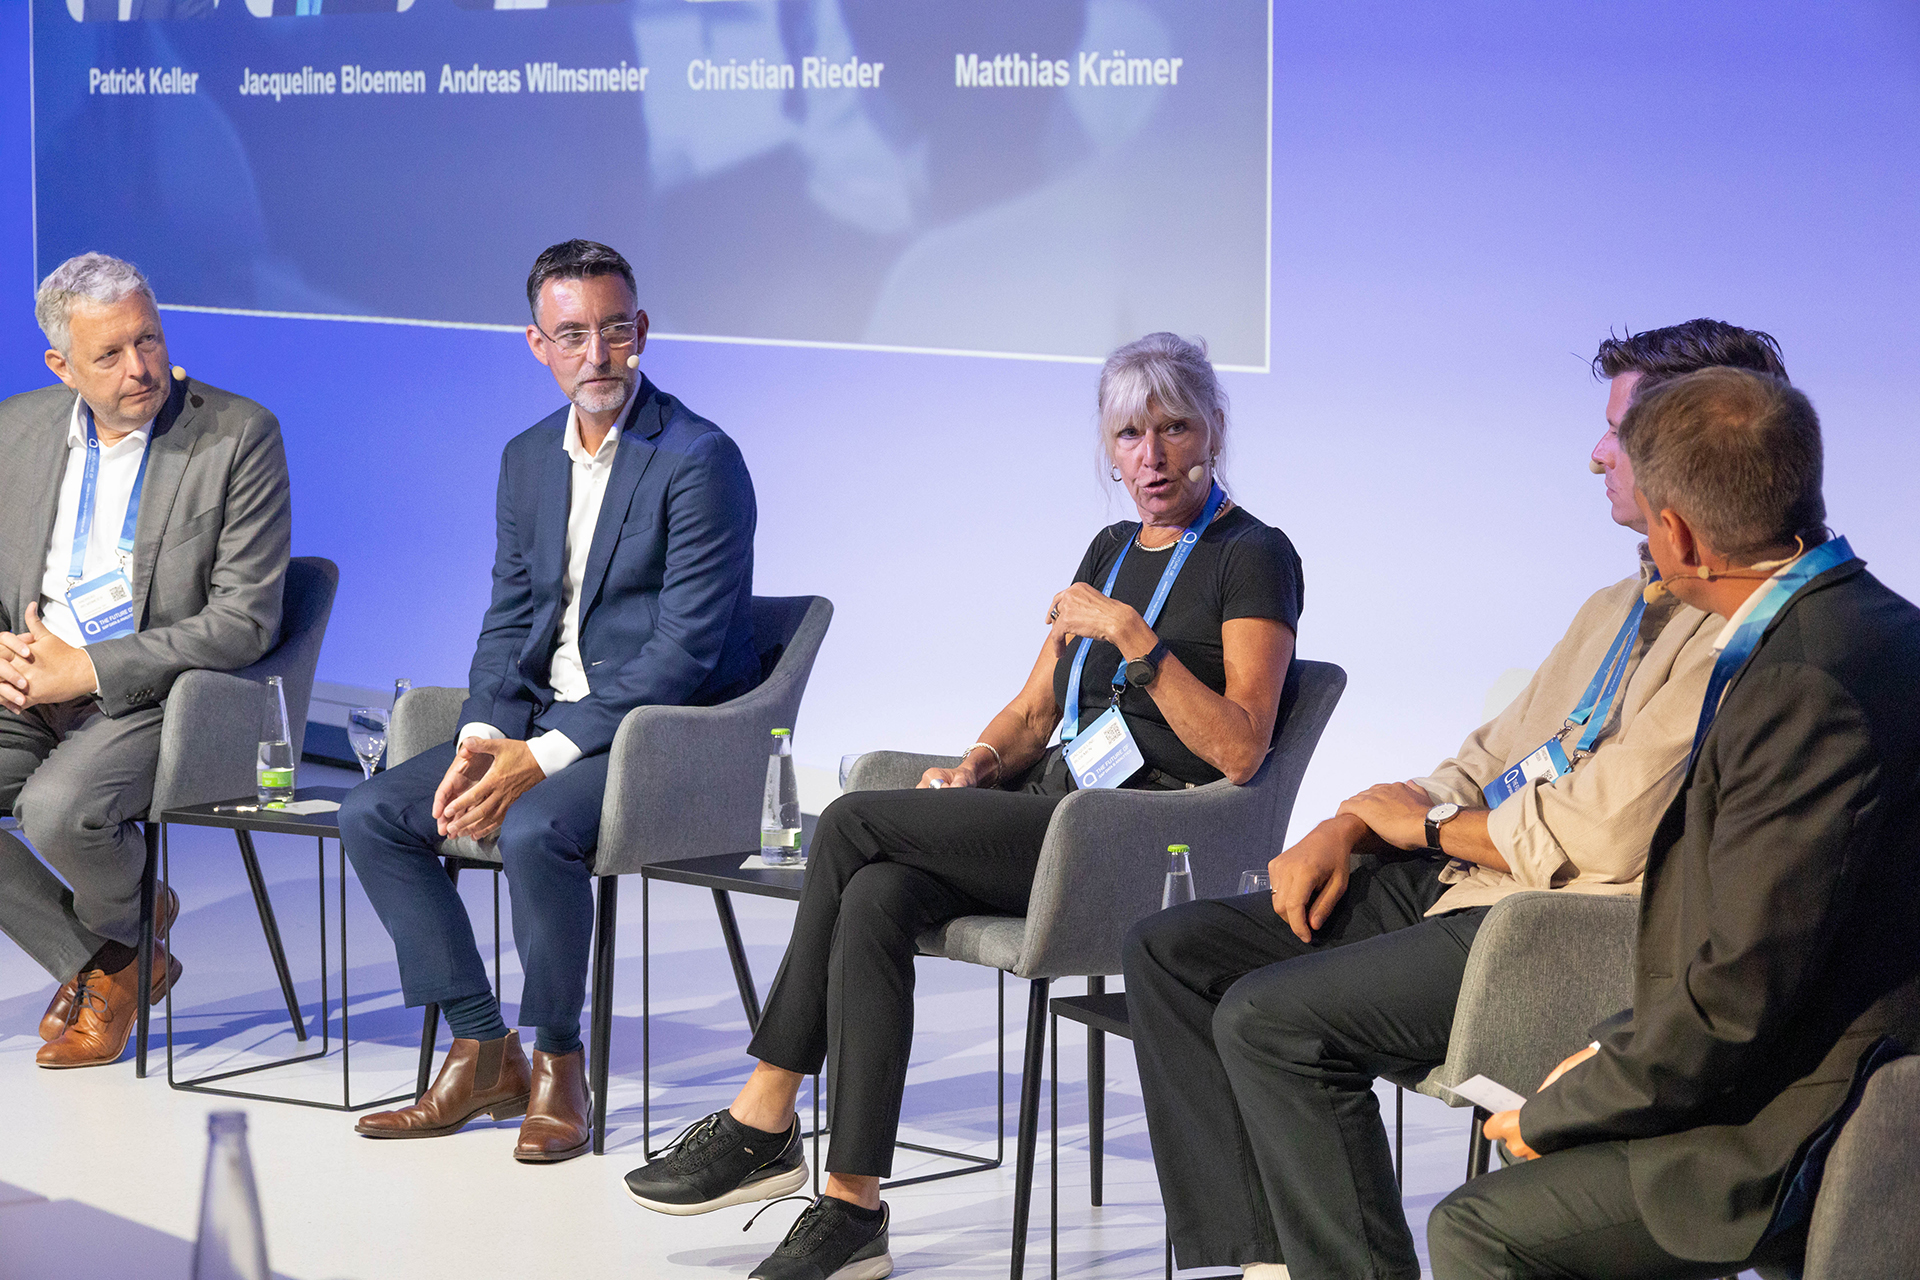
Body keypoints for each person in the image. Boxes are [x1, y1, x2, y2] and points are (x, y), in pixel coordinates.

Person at [625, 332, 1304, 1280]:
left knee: (853, 820)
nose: (1151, 456)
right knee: (877, 895)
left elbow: (1241, 747)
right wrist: (976, 766)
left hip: (1141, 840)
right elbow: (1034, 713)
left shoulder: (1254, 555)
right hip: (1051, 812)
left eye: (1174, 428)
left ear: (1215, 430)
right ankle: (852, 1209)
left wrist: (1133, 636)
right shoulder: (1109, 550)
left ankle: (765, 1113)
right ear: (1108, 448)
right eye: (1129, 434)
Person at [1121, 319, 1788, 1280]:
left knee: (1271, 1021)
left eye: (1618, 432)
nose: (1596, 454)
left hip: (1553, 921)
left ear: (1696, 448)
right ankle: (1270, 1262)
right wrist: (1353, 823)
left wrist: (1431, 825)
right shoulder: (1616, 604)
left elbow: (1605, 834)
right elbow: (1488, 756)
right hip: (1465, 875)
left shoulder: (1739, 635)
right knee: (1171, 952)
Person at [1429, 367, 1920, 1279]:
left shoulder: (1802, 688)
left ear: (1678, 535)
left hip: (1816, 1114)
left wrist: (1565, 1108)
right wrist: (1608, 1051)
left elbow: (1739, 993)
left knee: (1476, 1228)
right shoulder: (1874, 624)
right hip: (1813, 1057)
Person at [341, 239, 760, 1164]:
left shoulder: (699, 460)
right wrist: (484, 734)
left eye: (615, 331)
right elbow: (508, 619)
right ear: (538, 345)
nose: (597, 355)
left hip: (654, 739)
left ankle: (561, 1063)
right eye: (573, 335)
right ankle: (484, 1048)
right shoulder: (527, 457)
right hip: (537, 722)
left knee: (534, 829)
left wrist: (542, 756)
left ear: (641, 330)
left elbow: (683, 654)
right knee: (372, 812)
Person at [0, 252, 292, 1069]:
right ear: (61, 366)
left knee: (59, 812)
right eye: (110, 354)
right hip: (31, 681)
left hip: (161, 693)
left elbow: (243, 621)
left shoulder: (237, 435)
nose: (140, 368)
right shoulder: (15, 429)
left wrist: (87, 670)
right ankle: (115, 952)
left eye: (149, 340)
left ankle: (115, 947)